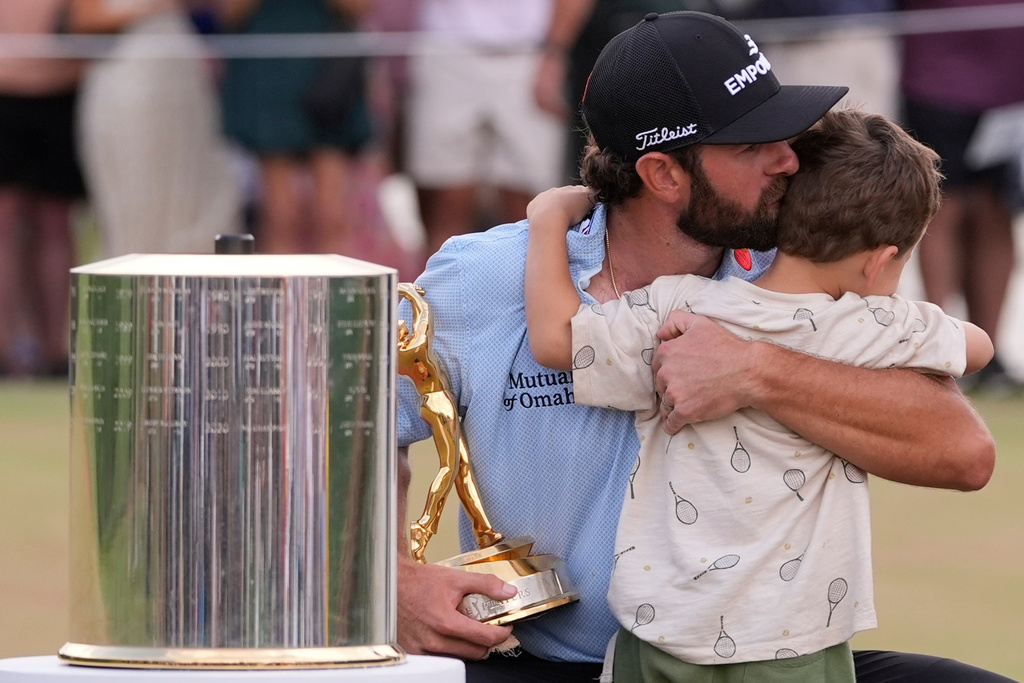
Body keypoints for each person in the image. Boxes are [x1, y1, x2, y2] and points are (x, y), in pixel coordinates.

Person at [396, 11, 999, 683]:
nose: (789, 161)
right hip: (540, 660)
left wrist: (758, 371)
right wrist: (392, 582)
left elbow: (964, 452)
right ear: (663, 174)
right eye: (751, 145)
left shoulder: (798, 266)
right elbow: (335, 425)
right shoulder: (485, 274)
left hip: (751, 660)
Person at [523, 109, 993, 681]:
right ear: (882, 260)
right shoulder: (874, 327)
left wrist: (547, 219)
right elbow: (978, 347)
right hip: (794, 643)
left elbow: (554, 340)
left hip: (658, 631)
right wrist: (899, 318)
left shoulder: (680, 307)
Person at [899, 0, 1024, 395]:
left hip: (1008, 87)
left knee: (995, 209)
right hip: (936, 79)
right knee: (940, 208)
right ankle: (939, 347)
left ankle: (988, 356)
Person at [71, 0, 243, 257]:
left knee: (192, 198)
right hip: (133, 78)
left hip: (178, 71)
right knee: (141, 201)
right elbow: (84, 18)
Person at [403, 0, 567, 260]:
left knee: (529, 207)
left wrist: (554, 51)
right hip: (448, 47)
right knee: (447, 203)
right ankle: (437, 297)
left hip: (530, 50)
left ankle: (529, 298)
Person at [219, 0, 375, 254]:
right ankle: (279, 292)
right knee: (281, 214)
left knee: (331, 212)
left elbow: (360, 6)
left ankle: (335, 292)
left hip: (329, 73)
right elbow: (229, 11)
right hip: (268, 67)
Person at [0, 0, 84, 377]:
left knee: (56, 220)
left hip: (61, 91)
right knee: (5, 220)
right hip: (6, 92)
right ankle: (6, 348)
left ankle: (56, 350)